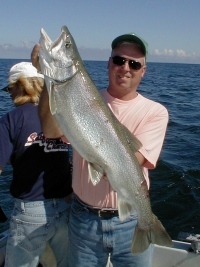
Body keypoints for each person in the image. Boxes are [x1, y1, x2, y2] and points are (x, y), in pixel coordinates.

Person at [32, 32, 169, 267]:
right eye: (119, 60)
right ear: (108, 63)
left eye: (134, 63)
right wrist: (48, 78)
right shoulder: (80, 95)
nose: (125, 67)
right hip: (83, 220)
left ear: (143, 71)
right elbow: (51, 131)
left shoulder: (155, 112)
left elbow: (135, 158)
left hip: (130, 220)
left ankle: (148, 225)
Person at [0, 62, 72, 267]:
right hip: (66, 208)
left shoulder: (11, 120)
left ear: (21, 85)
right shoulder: (61, 116)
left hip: (30, 212)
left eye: (9, 88)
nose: (9, 94)